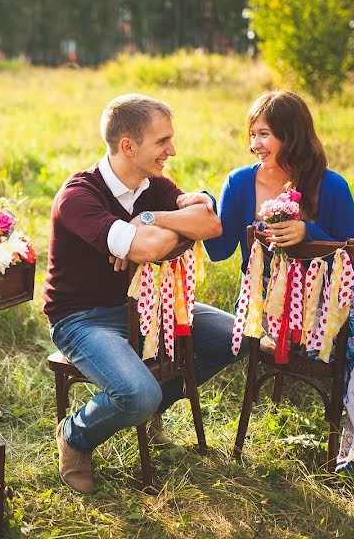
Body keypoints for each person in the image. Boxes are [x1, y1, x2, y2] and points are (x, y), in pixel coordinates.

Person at [188, 90, 354, 475]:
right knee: (351, 342)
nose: (254, 145)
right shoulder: (240, 183)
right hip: (272, 303)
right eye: (252, 134)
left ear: (291, 135)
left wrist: (307, 232)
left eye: (264, 134)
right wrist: (205, 203)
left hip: (335, 292)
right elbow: (219, 249)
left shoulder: (330, 186)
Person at [43, 93, 245, 494]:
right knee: (137, 393)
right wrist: (166, 231)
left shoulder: (153, 186)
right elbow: (148, 249)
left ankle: (157, 407)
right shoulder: (78, 197)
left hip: (145, 308)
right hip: (81, 318)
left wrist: (149, 219)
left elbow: (210, 223)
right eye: (162, 141)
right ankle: (75, 435)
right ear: (128, 146)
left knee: (233, 338)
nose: (172, 150)